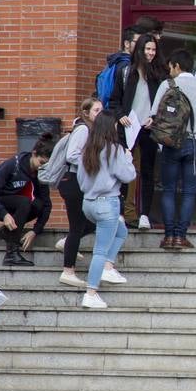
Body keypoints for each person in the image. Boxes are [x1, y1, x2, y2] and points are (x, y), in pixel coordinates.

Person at [148, 49, 196, 251]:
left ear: (176, 65)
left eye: (171, 66)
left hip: (170, 144)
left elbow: (155, 115)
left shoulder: (166, 85)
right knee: (189, 192)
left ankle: (168, 236)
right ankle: (180, 236)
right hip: (195, 144)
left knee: (168, 190)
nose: (170, 70)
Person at [76, 112, 136, 309]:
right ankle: (91, 292)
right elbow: (128, 176)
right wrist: (128, 159)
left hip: (89, 202)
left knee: (121, 231)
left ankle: (108, 266)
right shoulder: (114, 150)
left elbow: (80, 179)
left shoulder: (88, 150)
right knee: (100, 251)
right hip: (107, 203)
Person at [109, 31, 166, 230]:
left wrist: (155, 117)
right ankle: (122, 214)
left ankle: (144, 215)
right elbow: (114, 100)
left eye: (153, 49)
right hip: (129, 126)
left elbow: (163, 104)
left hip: (148, 128)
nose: (150, 53)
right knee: (125, 169)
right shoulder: (125, 72)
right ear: (139, 50)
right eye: (147, 49)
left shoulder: (159, 75)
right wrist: (120, 115)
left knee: (149, 171)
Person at [0, 135, 55, 267]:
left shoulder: (39, 173)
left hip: (13, 204)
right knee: (24, 201)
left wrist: (35, 230)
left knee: (38, 205)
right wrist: (4, 214)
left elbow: (46, 204)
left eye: (46, 165)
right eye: (41, 163)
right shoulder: (12, 165)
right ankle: (11, 254)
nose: (42, 167)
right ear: (34, 154)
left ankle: (6, 233)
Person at [56, 97, 102, 287]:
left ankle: (66, 243)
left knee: (90, 222)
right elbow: (72, 155)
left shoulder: (91, 130)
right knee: (77, 226)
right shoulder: (83, 129)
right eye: (96, 111)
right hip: (73, 181)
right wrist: (92, 162)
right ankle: (68, 270)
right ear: (86, 113)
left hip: (79, 182)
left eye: (101, 110)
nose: (100, 114)